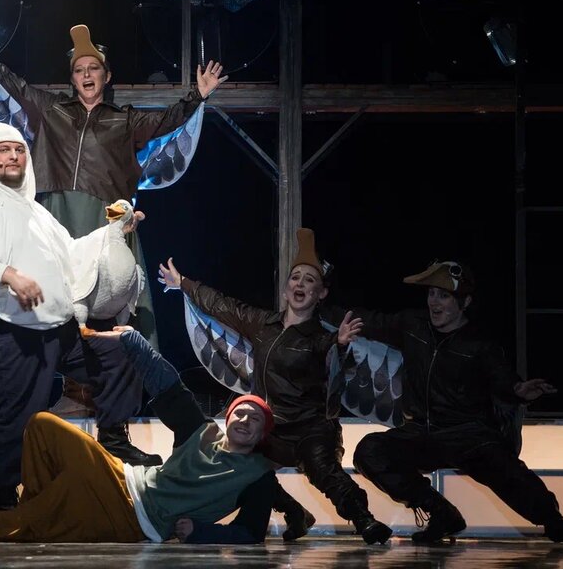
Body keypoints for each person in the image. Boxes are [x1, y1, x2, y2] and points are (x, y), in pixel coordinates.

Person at [0, 22, 226, 416]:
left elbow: (166, 122)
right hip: (56, 213)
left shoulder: (125, 120)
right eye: (79, 70)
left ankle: (112, 395)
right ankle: (70, 390)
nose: (86, 75)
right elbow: (13, 85)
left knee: (105, 296)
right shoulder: (51, 109)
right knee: (59, 300)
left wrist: (197, 96)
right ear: (72, 79)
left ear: (107, 76)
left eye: (93, 69)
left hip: (103, 216)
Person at [0, 323, 366, 543]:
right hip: (119, 476)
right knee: (42, 426)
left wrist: (201, 533)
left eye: (254, 421)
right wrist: (133, 340)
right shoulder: (201, 432)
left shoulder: (256, 476)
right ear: (227, 418)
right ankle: (39, 506)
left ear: (259, 436)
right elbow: (167, 383)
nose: (244, 420)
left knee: (29, 523)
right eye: (240, 413)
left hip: (134, 520)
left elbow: (250, 533)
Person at [0, 122, 157, 511]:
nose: (13, 156)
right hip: (13, 332)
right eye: (4, 150)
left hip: (60, 330)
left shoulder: (36, 212)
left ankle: (114, 438)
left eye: (19, 150)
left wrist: (113, 231)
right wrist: (6, 273)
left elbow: (72, 251)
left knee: (121, 354)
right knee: (15, 414)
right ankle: (5, 496)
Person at [158, 228, 393, 544]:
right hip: (270, 428)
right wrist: (183, 283)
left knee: (323, 470)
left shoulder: (321, 338)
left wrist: (338, 344)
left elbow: (333, 360)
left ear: (320, 293)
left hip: (310, 429)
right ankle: (293, 512)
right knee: (241, 463)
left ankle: (365, 520)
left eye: (309, 280)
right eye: (295, 278)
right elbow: (222, 305)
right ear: (286, 290)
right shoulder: (262, 324)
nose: (300, 284)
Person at [342, 260, 563, 547]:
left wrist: (520, 390)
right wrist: (317, 311)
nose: (434, 302)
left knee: (505, 468)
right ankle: (441, 513)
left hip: (468, 433)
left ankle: (553, 521)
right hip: (423, 431)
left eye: (444, 296)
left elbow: (504, 380)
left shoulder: (480, 344)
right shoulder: (413, 325)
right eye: (431, 293)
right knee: (370, 450)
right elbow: (369, 320)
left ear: (464, 302)